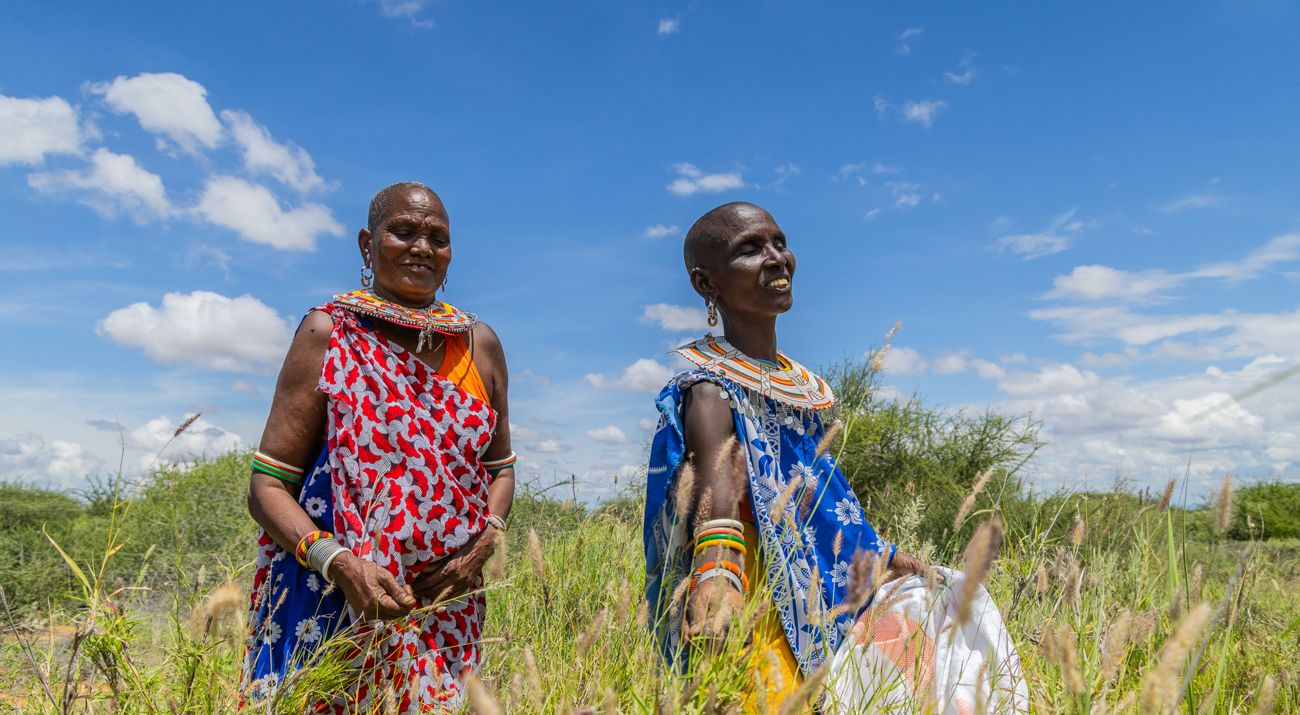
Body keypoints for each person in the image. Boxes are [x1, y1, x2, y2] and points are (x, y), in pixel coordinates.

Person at [642, 202, 1027, 713]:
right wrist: (717, 578)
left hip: (823, 587)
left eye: (779, 242)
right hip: (759, 598)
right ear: (705, 284)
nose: (777, 258)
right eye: (750, 250)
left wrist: (886, 557)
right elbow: (717, 495)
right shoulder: (710, 390)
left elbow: (826, 506)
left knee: (950, 600)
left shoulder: (799, 392)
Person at [240, 182, 516, 713]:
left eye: (438, 238)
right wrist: (339, 562)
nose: (422, 248)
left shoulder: (479, 345)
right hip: (333, 601)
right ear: (367, 245)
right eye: (404, 232)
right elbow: (267, 485)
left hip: (441, 612)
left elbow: (500, 470)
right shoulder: (330, 332)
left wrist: (483, 545)